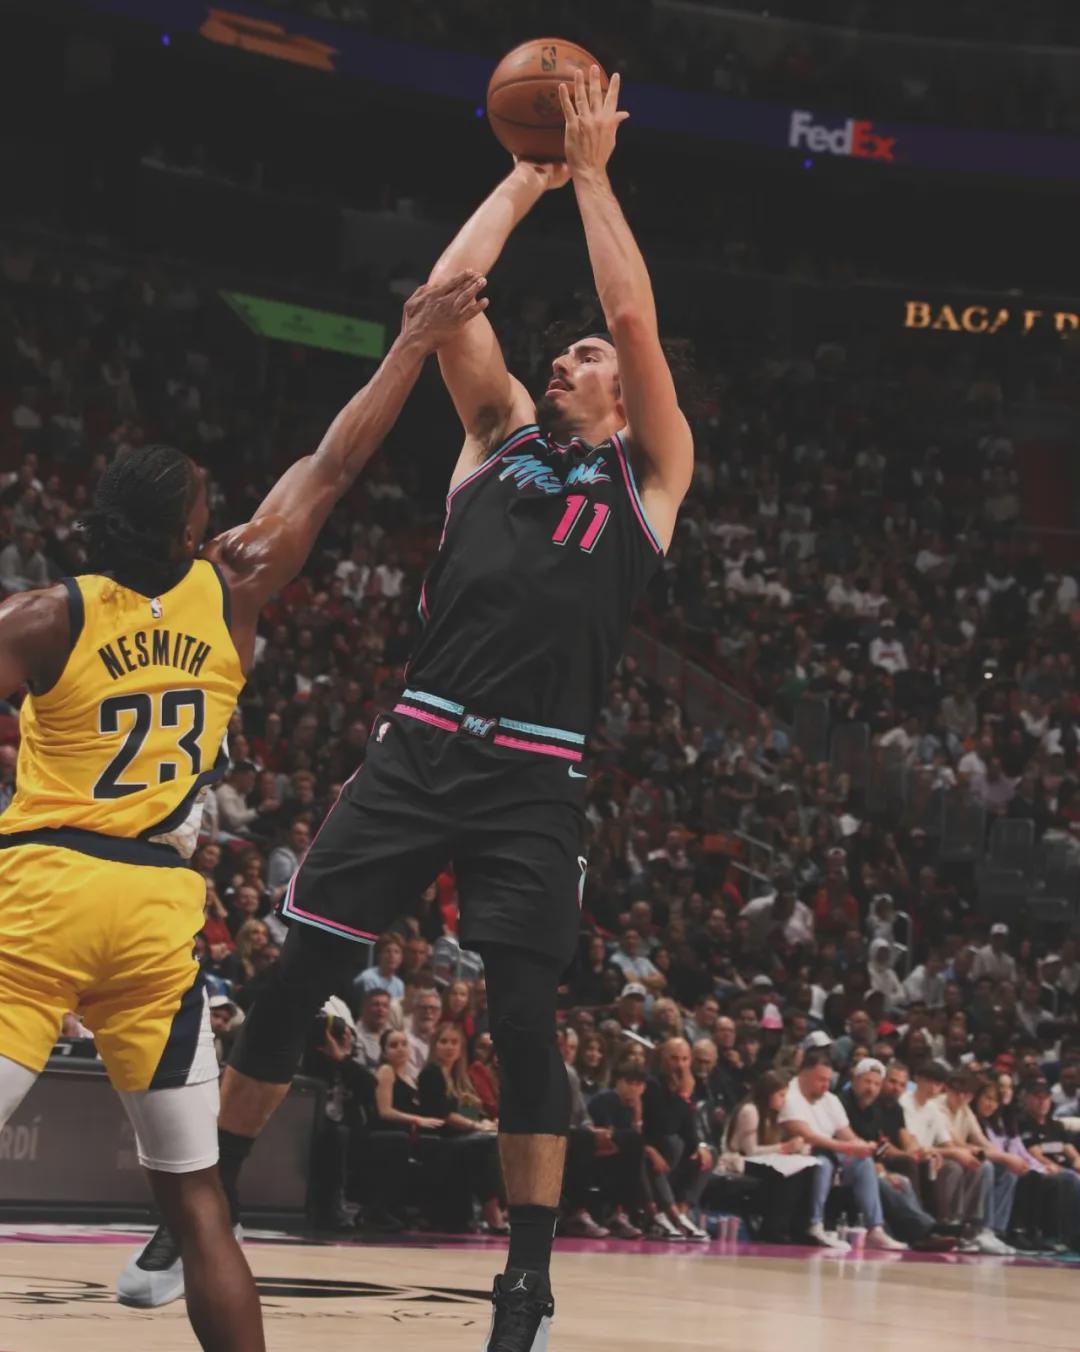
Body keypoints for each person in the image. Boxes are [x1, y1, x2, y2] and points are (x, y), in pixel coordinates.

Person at [122, 67, 692, 1352]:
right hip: (421, 737)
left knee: (527, 1019)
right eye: (564, 351)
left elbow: (633, 312)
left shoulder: (653, 474)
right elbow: (446, 300)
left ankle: (526, 1278)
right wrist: (527, 175)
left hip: (536, 771)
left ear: (622, 394)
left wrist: (594, 177)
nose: (569, 355)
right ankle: (196, 1215)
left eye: (585, 356)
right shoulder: (496, 436)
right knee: (298, 976)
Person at [0, 272, 485, 1349]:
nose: (218, 509)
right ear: (184, 529)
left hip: (42, 897)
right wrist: (412, 342)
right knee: (200, 1206)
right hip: (156, 913)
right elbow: (334, 462)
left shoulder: (42, 617)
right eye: (204, 501)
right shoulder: (234, 586)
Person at [779, 1049, 906, 1250]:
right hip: (800, 1153)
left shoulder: (830, 1099)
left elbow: (846, 1134)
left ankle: (875, 1228)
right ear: (804, 1074)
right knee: (823, 1161)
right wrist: (847, 1147)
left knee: (864, 1162)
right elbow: (807, 1136)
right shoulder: (790, 1095)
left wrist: (863, 1147)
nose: (826, 1085)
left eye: (828, 1080)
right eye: (821, 1079)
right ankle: (815, 1224)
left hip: (830, 1152)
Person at [840, 1059, 954, 1251]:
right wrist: (880, 1169)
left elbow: (882, 1145)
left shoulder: (874, 1110)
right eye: (867, 1082)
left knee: (903, 1182)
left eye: (876, 1083)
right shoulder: (841, 1103)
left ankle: (920, 1234)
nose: (871, 1088)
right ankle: (926, 1229)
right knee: (884, 1177)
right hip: (846, 1162)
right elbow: (850, 1142)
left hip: (870, 1164)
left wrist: (919, 1153)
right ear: (855, 1080)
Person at [901, 1061, 1007, 1253]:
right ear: (918, 1080)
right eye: (930, 1082)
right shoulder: (908, 1102)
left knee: (980, 1165)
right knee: (954, 1166)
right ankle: (949, 1223)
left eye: (937, 1083)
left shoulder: (934, 1108)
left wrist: (967, 1154)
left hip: (932, 1157)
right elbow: (913, 1145)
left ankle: (974, 1228)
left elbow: (948, 1143)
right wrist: (958, 1153)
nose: (933, 1088)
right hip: (913, 1158)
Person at [419, 1023, 507, 1233]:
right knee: (487, 1142)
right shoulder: (431, 1074)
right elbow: (445, 1115)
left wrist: (487, 1122)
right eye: (444, 1042)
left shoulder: (460, 1077)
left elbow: (469, 1114)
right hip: (439, 1139)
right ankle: (493, 1213)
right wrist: (478, 1126)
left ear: (461, 1048)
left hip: (461, 1137)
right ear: (434, 1045)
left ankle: (506, 1208)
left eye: (454, 1042)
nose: (449, 1047)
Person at [725, 1071, 815, 1243]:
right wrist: (785, 1148)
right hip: (739, 1161)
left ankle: (798, 1228)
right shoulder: (750, 1111)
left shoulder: (773, 1114)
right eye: (781, 1095)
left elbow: (772, 1146)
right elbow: (750, 1150)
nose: (784, 1100)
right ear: (768, 1093)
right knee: (786, 1175)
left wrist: (796, 1149)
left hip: (762, 1160)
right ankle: (773, 1228)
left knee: (804, 1169)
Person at [642, 1038, 714, 1240]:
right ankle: (669, 1214)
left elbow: (688, 1129)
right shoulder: (652, 1085)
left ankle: (682, 1212)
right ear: (663, 1059)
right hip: (651, 1148)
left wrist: (699, 1146)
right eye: (674, 1058)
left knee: (708, 1153)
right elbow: (665, 1127)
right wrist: (683, 1097)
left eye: (684, 1059)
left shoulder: (689, 1084)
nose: (680, 1065)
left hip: (672, 1155)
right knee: (673, 1143)